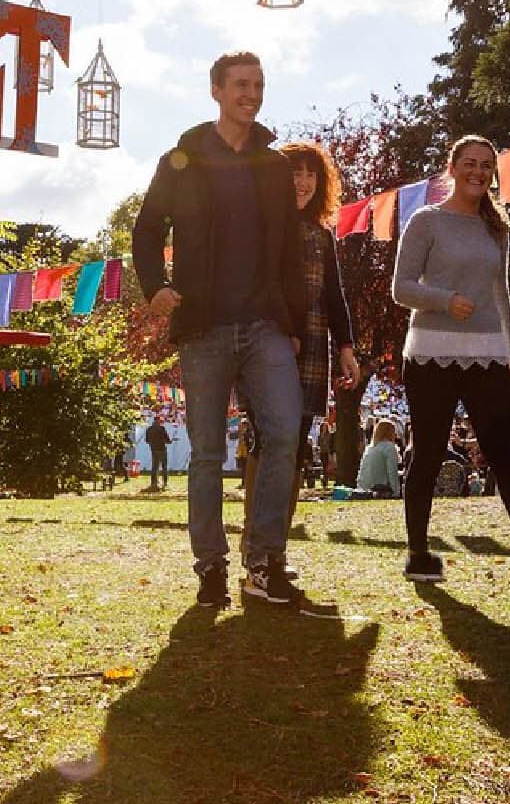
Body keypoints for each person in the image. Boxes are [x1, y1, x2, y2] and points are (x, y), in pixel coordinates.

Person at [134, 50, 311, 608]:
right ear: (215, 90)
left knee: (285, 435)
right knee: (208, 453)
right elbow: (145, 228)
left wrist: (296, 323)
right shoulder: (182, 159)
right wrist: (154, 286)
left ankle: (264, 563)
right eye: (240, 84)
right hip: (203, 326)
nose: (251, 93)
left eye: (258, 84)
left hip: (266, 327)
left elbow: (288, 249)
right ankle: (211, 566)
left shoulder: (275, 166)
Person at [392, 136, 510, 587]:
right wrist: (443, 300)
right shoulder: (425, 221)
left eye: (486, 166)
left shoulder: (497, 227)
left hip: (488, 355)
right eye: (470, 163)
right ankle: (418, 554)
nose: (478, 172)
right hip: (430, 355)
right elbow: (401, 288)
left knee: (506, 454)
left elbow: (502, 295)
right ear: (451, 167)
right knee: (429, 455)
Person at [240, 141, 359, 561]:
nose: (303, 182)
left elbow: (335, 296)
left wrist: (346, 346)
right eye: (295, 172)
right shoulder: (261, 226)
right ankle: (253, 545)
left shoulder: (323, 236)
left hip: (312, 349)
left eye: (311, 174)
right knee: (266, 441)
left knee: (295, 447)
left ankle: (276, 548)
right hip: (266, 343)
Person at [355, 418, 401, 497]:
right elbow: (392, 471)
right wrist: (396, 492)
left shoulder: (370, 448)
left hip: (363, 487)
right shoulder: (389, 447)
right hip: (378, 487)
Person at [145, 411, 171, 491]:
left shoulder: (149, 429)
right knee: (164, 467)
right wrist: (169, 441)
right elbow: (167, 440)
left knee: (154, 467)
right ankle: (165, 483)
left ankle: (154, 483)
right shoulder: (161, 429)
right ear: (158, 421)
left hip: (153, 449)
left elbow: (147, 440)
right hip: (162, 449)